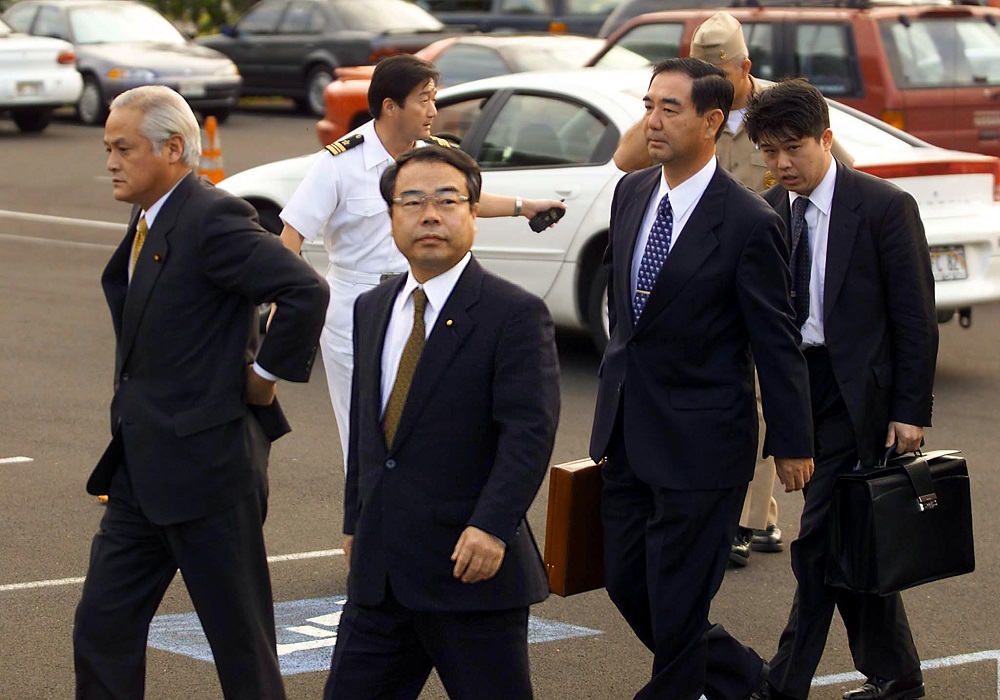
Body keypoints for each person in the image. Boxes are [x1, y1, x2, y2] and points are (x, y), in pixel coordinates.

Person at [73, 85, 329, 699]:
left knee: (240, 645)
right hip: (140, 469)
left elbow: (304, 291)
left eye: (123, 148)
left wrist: (264, 377)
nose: (110, 160)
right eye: (107, 146)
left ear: (173, 148)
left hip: (209, 471)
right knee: (103, 625)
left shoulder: (210, 216)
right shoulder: (148, 214)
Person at [589, 58, 815, 700]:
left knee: (679, 597)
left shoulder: (748, 223)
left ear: (713, 121)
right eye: (649, 105)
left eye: (670, 109)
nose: (652, 122)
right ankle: (747, 681)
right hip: (627, 433)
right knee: (629, 582)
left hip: (703, 445)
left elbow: (777, 342)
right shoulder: (631, 193)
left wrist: (793, 441)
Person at [611, 12, 854, 564]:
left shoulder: (774, 108)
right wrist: (661, 108)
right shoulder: (681, 108)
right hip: (695, 270)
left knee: (762, 388)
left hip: (764, 257)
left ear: (745, 67)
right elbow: (626, 161)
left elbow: (835, 175)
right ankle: (750, 518)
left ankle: (751, 517)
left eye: (718, 70)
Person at [323, 145, 560, 699]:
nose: (429, 214)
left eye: (447, 200)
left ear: (473, 212)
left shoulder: (514, 314)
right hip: (381, 576)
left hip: (469, 572)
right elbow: (368, 430)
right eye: (412, 201)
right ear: (391, 218)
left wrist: (493, 526)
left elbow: (529, 432)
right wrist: (356, 521)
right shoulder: (373, 307)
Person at [744, 79, 937, 700]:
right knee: (855, 539)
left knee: (820, 541)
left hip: (864, 399)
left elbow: (914, 317)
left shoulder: (883, 206)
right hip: (801, 390)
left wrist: (910, 410)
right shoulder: (771, 211)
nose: (780, 165)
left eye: (792, 149)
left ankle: (782, 685)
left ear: (827, 138)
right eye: (768, 152)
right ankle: (899, 679)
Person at [278, 54, 564, 471]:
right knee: (364, 429)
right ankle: (364, 523)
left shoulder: (434, 155)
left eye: (434, 99)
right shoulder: (339, 163)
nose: (433, 110)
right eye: (423, 100)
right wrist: (293, 303)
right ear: (391, 107)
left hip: (424, 301)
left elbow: (467, 202)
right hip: (357, 303)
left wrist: (524, 207)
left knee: (423, 419)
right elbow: (291, 235)